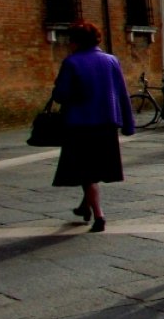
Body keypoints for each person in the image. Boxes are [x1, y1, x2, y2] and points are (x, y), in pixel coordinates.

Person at [49, 21, 134, 233]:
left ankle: (99, 215)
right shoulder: (111, 60)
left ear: (76, 41)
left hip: (80, 124)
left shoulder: (71, 62)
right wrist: (128, 124)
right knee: (94, 169)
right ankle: (84, 206)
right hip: (107, 123)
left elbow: (60, 95)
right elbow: (122, 93)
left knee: (86, 172)